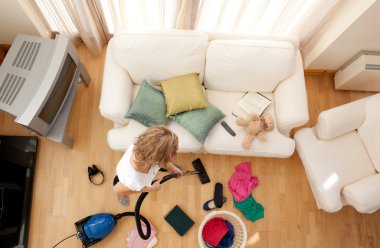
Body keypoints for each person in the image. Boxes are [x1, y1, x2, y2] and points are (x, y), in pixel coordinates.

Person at [113, 125, 183, 206]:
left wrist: (175, 170)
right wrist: (153, 188)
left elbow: (164, 161)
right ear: (157, 159)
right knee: (122, 190)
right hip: (131, 182)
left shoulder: (146, 147)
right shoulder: (134, 179)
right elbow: (116, 189)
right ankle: (122, 195)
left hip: (145, 169)